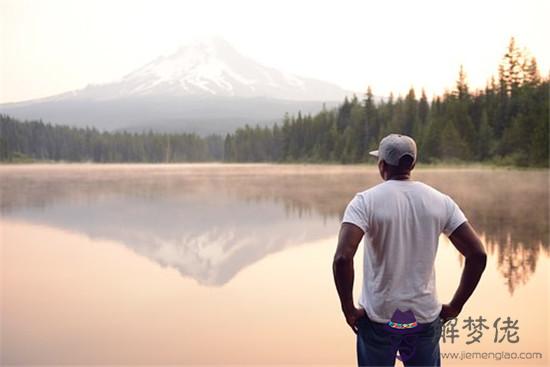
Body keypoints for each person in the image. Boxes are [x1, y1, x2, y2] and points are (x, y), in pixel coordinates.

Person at [332, 133, 487, 366]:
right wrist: (456, 305)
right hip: (423, 318)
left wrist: (349, 310)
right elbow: (478, 255)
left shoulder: (365, 202)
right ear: (412, 164)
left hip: (379, 318)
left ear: (382, 165)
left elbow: (343, 258)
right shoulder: (441, 201)